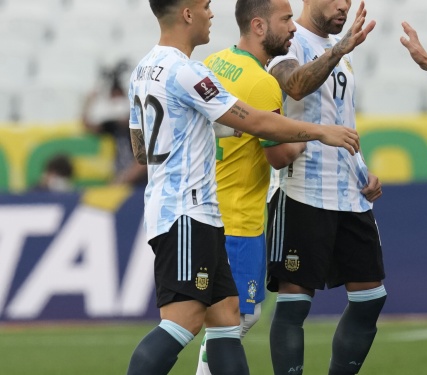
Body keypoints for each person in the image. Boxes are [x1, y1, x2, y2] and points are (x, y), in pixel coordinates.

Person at [124, 0, 359, 374]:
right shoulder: (187, 72)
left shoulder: (143, 69)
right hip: (187, 211)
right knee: (183, 322)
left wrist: (203, 128)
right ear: (186, 14)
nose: (211, 13)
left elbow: (140, 150)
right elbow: (260, 124)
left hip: (188, 210)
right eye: (204, 6)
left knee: (227, 320)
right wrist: (321, 131)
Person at [265, 1, 384, 374]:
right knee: (295, 302)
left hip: (348, 192)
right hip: (301, 189)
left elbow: (338, 117)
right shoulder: (289, 40)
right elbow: (295, 86)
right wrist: (340, 48)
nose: (344, 5)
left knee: (370, 298)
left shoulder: (339, 51)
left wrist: (362, 169)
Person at [193, 0, 304, 373]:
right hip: (240, 218)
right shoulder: (262, 83)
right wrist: (307, 137)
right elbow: (279, 155)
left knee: (225, 321)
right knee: (238, 320)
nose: (293, 27)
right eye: (286, 19)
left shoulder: (215, 62)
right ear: (258, 26)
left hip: (211, 207)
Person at [82, 61, 147, 186]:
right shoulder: (113, 125)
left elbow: (143, 161)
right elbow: (87, 125)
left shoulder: (140, 124)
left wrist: (122, 180)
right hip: (123, 181)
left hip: (140, 185)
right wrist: (89, 101)